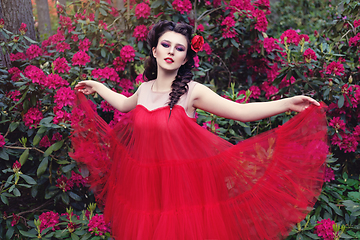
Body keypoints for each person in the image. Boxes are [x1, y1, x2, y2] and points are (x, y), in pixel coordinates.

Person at [71, 20, 328, 240]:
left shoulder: (191, 92)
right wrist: (97, 86)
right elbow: (123, 104)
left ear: (185, 57)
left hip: (184, 191)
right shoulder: (144, 90)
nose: (172, 51)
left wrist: (287, 104)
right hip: (147, 189)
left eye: (179, 48)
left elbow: (240, 112)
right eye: (166, 45)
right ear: (155, 51)